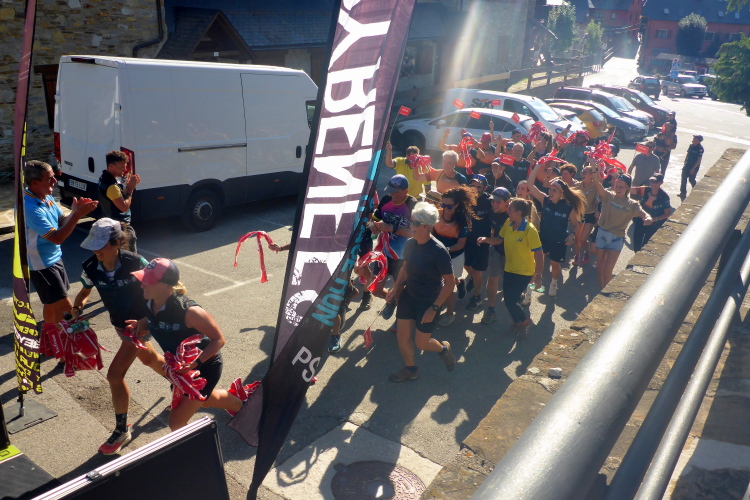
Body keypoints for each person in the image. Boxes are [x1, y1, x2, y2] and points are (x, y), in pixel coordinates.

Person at [72, 218, 165, 455]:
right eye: (92, 245)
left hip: (140, 324)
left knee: (115, 375)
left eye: (100, 245)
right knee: (148, 359)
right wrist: (77, 309)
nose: (95, 250)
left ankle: (122, 430)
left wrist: (146, 320)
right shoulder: (90, 266)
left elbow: (160, 290)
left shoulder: (136, 262)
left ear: (115, 243)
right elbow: (84, 292)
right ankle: (181, 380)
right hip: (119, 324)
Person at [129, 259, 245, 430]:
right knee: (206, 401)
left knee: (176, 422)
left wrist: (194, 364)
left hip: (204, 367)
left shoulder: (190, 312)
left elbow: (219, 340)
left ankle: (198, 449)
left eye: (149, 281)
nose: (142, 285)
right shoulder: (149, 301)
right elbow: (153, 320)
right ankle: (242, 406)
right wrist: (140, 325)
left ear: (167, 285)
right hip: (180, 367)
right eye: (143, 278)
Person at [24, 160, 98, 342]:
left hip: (55, 258)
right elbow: (57, 237)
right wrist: (77, 215)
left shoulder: (46, 196)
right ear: (35, 183)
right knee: (66, 308)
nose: (55, 181)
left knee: (51, 304)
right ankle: (72, 347)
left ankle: (50, 341)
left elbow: (61, 222)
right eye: (49, 178)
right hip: (41, 265)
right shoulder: (30, 208)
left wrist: (74, 212)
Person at [386, 202, 457, 382]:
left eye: (415, 223)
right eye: (411, 221)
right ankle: (411, 369)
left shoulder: (439, 251)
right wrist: (395, 289)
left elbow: (450, 283)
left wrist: (434, 308)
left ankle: (443, 349)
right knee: (402, 337)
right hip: (409, 296)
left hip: (429, 301)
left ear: (427, 227)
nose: (411, 225)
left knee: (421, 343)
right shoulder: (410, 243)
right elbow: (405, 268)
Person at [477, 198, 544, 336]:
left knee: (511, 300)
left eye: (510, 209)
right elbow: (498, 240)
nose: (507, 212)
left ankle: (524, 321)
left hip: (524, 272)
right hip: (509, 269)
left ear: (519, 212)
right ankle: (518, 322)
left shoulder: (530, 230)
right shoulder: (508, 223)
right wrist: (486, 239)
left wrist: (538, 275)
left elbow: (539, 254)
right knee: (509, 301)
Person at [527, 162, 585, 296]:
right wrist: (537, 166)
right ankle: (529, 292)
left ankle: (553, 284)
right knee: (536, 264)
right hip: (543, 238)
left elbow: (576, 225)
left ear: (561, 192)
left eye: (554, 190)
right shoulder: (545, 200)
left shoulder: (568, 207)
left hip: (559, 240)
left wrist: (572, 235)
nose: (551, 192)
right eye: (550, 189)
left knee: (555, 265)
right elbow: (530, 185)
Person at [592, 172, 652, 288]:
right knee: (600, 269)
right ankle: (602, 290)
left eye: (621, 187)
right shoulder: (608, 196)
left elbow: (643, 213)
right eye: (616, 186)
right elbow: (597, 183)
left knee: (607, 271)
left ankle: (607, 295)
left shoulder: (632, 204)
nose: (618, 189)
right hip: (602, 234)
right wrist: (594, 167)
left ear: (627, 188)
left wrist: (648, 218)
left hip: (617, 238)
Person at [371, 174, 418, 319]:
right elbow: (374, 219)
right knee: (375, 290)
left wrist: (392, 228)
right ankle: (391, 302)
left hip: (403, 257)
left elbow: (415, 233)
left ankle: (402, 319)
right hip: (384, 254)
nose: (391, 195)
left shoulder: (413, 205)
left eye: (395, 192)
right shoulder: (386, 200)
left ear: (405, 191)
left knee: (399, 293)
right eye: (389, 191)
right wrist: (373, 226)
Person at [431, 185, 477, 326]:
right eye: (442, 204)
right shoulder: (436, 214)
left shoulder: (463, 221)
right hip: (437, 254)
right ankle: (459, 282)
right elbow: (430, 233)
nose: (445, 208)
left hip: (454, 257)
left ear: (457, 205)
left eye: (449, 206)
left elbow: (460, 244)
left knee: (447, 289)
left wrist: (443, 250)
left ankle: (450, 314)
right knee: (439, 282)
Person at [476, 187, 511, 324]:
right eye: (492, 201)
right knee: (492, 280)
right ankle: (491, 310)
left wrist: (486, 239)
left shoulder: (512, 216)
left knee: (510, 283)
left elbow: (499, 240)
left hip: (512, 253)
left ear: (507, 202)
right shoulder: (491, 212)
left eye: (498, 202)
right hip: (496, 250)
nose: (494, 204)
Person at [98, 150, 140, 251]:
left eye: (125, 166)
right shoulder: (111, 186)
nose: (125, 169)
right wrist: (130, 190)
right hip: (121, 229)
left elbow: (115, 197)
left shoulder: (104, 178)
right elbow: (124, 207)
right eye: (122, 167)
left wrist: (126, 187)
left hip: (111, 226)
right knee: (130, 258)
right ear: (111, 166)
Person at [464, 176, 493, 312]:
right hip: (466, 239)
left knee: (476, 271)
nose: (475, 189)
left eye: (479, 187)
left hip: (482, 242)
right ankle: (474, 279)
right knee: (466, 265)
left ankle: (477, 297)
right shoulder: (465, 198)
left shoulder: (490, 201)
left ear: (485, 188)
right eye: (473, 186)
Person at [631, 174, 672, 252]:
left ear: (661, 183)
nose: (653, 184)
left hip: (654, 225)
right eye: (651, 181)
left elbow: (667, 213)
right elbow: (629, 190)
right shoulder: (645, 190)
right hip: (641, 221)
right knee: (636, 245)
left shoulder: (664, 197)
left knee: (647, 246)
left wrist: (654, 219)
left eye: (655, 182)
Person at [571, 166, 598, 266]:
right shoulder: (577, 186)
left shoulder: (596, 186)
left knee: (582, 239)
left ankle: (587, 251)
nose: (582, 174)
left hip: (590, 215)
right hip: (579, 214)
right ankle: (577, 256)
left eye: (585, 172)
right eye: (582, 172)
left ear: (591, 175)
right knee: (577, 239)